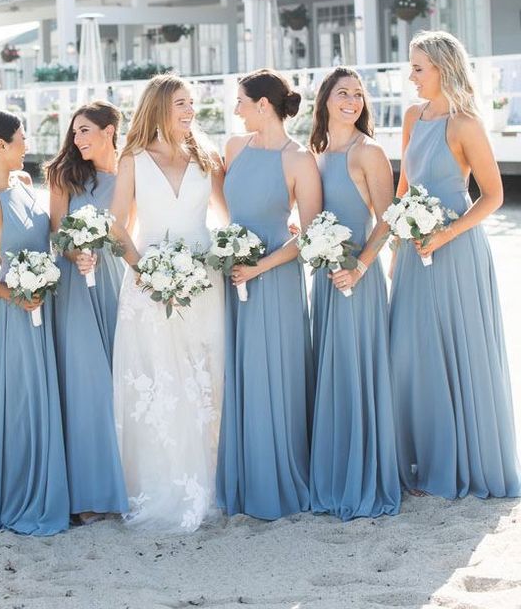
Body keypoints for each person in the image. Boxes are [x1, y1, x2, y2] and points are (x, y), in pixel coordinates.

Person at [390, 30, 521, 499]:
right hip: (411, 250)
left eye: (418, 67)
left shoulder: (465, 124)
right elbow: (402, 189)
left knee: (455, 348)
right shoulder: (412, 116)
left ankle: (462, 460)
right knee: (408, 350)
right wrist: (395, 248)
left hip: (457, 249)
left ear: (442, 69)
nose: (411, 76)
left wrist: (444, 233)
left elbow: (494, 196)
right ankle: (420, 457)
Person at [110, 74, 227, 532]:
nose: (190, 110)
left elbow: (227, 216)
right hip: (149, 284)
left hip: (204, 281)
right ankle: (158, 482)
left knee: (205, 377)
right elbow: (117, 225)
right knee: (159, 380)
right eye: (181, 102)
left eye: (192, 102)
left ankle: (212, 481)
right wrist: (146, 271)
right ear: (159, 107)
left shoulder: (207, 155)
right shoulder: (133, 160)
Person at [216, 69, 321, 520]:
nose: (235, 109)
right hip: (235, 273)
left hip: (274, 278)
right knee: (241, 372)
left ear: (263, 105)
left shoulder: (298, 159)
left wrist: (260, 263)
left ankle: (278, 475)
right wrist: (231, 245)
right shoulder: (234, 148)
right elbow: (227, 203)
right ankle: (245, 476)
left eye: (240, 101)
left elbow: (314, 233)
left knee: (274, 372)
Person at [0, 108, 69, 534]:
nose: (27, 144)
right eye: (21, 138)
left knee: (47, 397)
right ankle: (24, 491)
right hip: (18, 317)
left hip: (50, 309)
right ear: (1, 146)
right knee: (24, 403)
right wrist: (16, 295)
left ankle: (53, 484)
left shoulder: (23, 185)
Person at [308, 67, 401, 520]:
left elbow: (388, 220)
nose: (352, 100)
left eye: (359, 94)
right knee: (330, 372)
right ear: (325, 99)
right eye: (343, 92)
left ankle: (361, 473)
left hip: (356, 280)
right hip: (324, 279)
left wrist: (360, 269)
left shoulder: (370, 152)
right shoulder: (318, 151)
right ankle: (331, 470)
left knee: (354, 372)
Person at [46, 101, 128, 524]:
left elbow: (134, 233)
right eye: (74, 132)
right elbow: (56, 231)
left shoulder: (128, 175)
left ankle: (121, 483)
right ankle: (88, 493)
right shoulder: (65, 176)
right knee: (85, 384)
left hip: (115, 282)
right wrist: (76, 251)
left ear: (110, 130)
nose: (77, 140)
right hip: (74, 284)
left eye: (85, 131)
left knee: (118, 379)